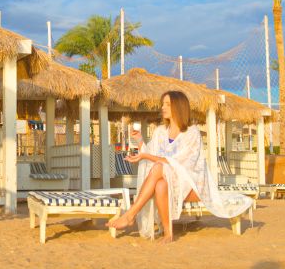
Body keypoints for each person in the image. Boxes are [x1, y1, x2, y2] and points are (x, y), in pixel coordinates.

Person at [106, 90, 253, 243]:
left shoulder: (192, 133)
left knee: (159, 168)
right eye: (163, 104)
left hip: (192, 185)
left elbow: (179, 163)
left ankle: (130, 214)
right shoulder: (160, 132)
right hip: (168, 181)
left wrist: (146, 156)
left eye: (168, 104)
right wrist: (140, 141)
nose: (163, 107)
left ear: (179, 107)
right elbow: (151, 155)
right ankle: (168, 233)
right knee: (160, 185)